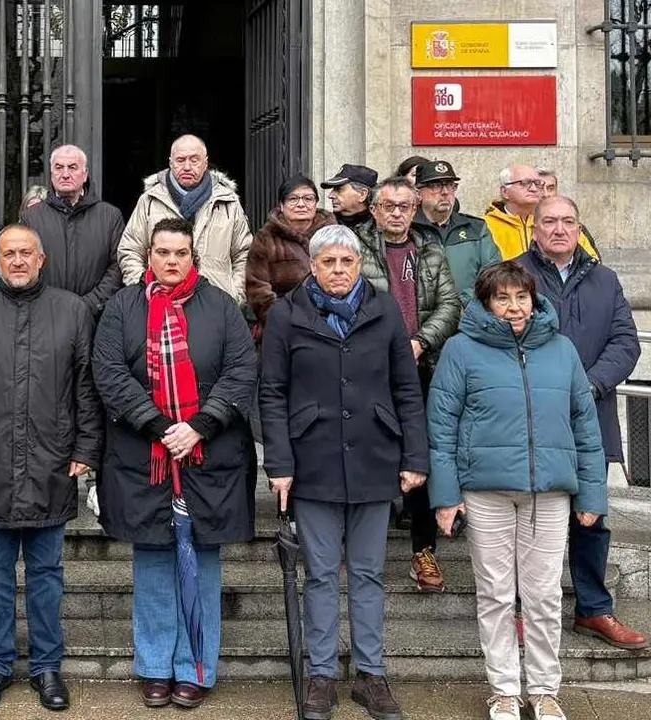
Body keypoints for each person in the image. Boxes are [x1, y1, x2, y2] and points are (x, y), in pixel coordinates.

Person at [260, 224, 428, 720]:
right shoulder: (287, 315)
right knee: (319, 576)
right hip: (312, 462)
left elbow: (406, 387)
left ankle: (371, 676)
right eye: (328, 262)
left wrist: (415, 457)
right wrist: (280, 464)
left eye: (346, 262)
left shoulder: (384, 310)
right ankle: (322, 676)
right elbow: (271, 393)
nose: (337, 271)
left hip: (375, 458)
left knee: (370, 573)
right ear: (312, 266)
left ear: (359, 266)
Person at [427, 261, 606, 720]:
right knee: (496, 593)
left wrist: (592, 495)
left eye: (521, 297)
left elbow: (585, 426)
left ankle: (545, 689)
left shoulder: (562, 349)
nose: (513, 307)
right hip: (486, 492)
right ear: (486, 302)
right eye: (502, 298)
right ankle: (504, 690)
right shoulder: (460, 350)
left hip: (549, 493)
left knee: (544, 595)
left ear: (534, 298)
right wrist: (446, 496)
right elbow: (441, 426)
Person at [94, 217, 258, 709]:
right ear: (149, 258)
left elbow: (241, 369)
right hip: (144, 456)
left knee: (202, 563)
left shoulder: (222, 307)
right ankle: (155, 666)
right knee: (152, 563)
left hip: (210, 455)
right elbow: (108, 372)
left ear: (194, 257)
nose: (171, 260)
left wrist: (200, 425)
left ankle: (194, 666)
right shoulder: (122, 308)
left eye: (180, 253)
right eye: (162, 252)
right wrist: (160, 426)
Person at [0, 225, 102, 712]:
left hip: (51, 460)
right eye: (8, 253)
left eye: (25, 253)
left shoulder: (73, 311)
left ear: (42, 259)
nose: (16, 260)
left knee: (47, 573)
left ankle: (46, 668)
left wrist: (87, 448)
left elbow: (87, 390)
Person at [515, 195, 646, 652]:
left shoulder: (605, 279)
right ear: (534, 229)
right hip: (531, 419)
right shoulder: (514, 275)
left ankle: (593, 609)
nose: (558, 229)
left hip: (592, 416)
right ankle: (521, 611)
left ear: (579, 227)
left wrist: (589, 385)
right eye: (549, 221)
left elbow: (626, 343)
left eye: (567, 221)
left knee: (591, 519)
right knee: (527, 518)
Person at [356, 177, 460, 593]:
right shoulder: (354, 247)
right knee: (366, 451)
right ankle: (357, 548)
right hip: (367, 368)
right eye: (388, 206)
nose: (397, 213)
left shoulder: (430, 252)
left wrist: (420, 342)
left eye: (404, 206)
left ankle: (423, 552)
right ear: (374, 210)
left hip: (420, 366)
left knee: (418, 457)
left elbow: (450, 304)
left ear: (414, 210)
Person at [116, 134, 252, 302]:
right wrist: (144, 290)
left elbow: (244, 254)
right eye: (180, 160)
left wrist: (235, 295)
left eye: (194, 160)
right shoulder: (150, 200)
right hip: (161, 305)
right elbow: (130, 250)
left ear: (205, 163)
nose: (187, 167)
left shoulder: (228, 202)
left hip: (217, 304)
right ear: (171, 163)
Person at [20, 144, 125, 317]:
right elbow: (23, 264)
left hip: (94, 317)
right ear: (51, 174)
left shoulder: (110, 216)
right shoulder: (31, 217)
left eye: (73, 167)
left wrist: (89, 304)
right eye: (59, 168)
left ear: (85, 174)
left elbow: (117, 266)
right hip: (44, 316)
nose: (65, 174)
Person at [244, 175, 335, 339]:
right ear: (281, 205)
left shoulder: (332, 234)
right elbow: (256, 287)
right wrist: (283, 319)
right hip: (283, 328)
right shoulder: (266, 238)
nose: (301, 204)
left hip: (330, 325)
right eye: (293, 199)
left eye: (308, 198)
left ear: (316, 203)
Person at [411, 160, 501, 296]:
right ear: (418, 193)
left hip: (468, 313)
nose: (445, 192)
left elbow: (493, 275)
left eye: (450, 185)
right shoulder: (407, 229)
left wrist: (463, 305)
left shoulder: (475, 228)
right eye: (436, 186)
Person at [485, 164, 598, 261]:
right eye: (524, 183)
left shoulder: (563, 224)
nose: (534, 189)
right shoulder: (485, 226)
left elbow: (591, 262)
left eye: (537, 183)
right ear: (505, 192)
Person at [321, 163, 378, 230]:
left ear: (362, 194)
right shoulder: (322, 225)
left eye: (339, 189)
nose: (330, 195)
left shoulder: (383, 226)